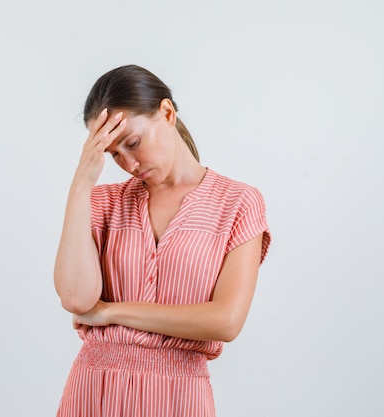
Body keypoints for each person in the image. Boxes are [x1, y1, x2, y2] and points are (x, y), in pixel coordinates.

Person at [53, 65, 271, 417]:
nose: (128, 163)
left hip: (179, 396)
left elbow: (226, 321)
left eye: (133, 143)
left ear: (167, 113)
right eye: (113, 155)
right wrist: (82, 182)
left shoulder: (237, 203)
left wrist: (110, 312)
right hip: (93, 391)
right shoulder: (103, 203)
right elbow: (77, 298)